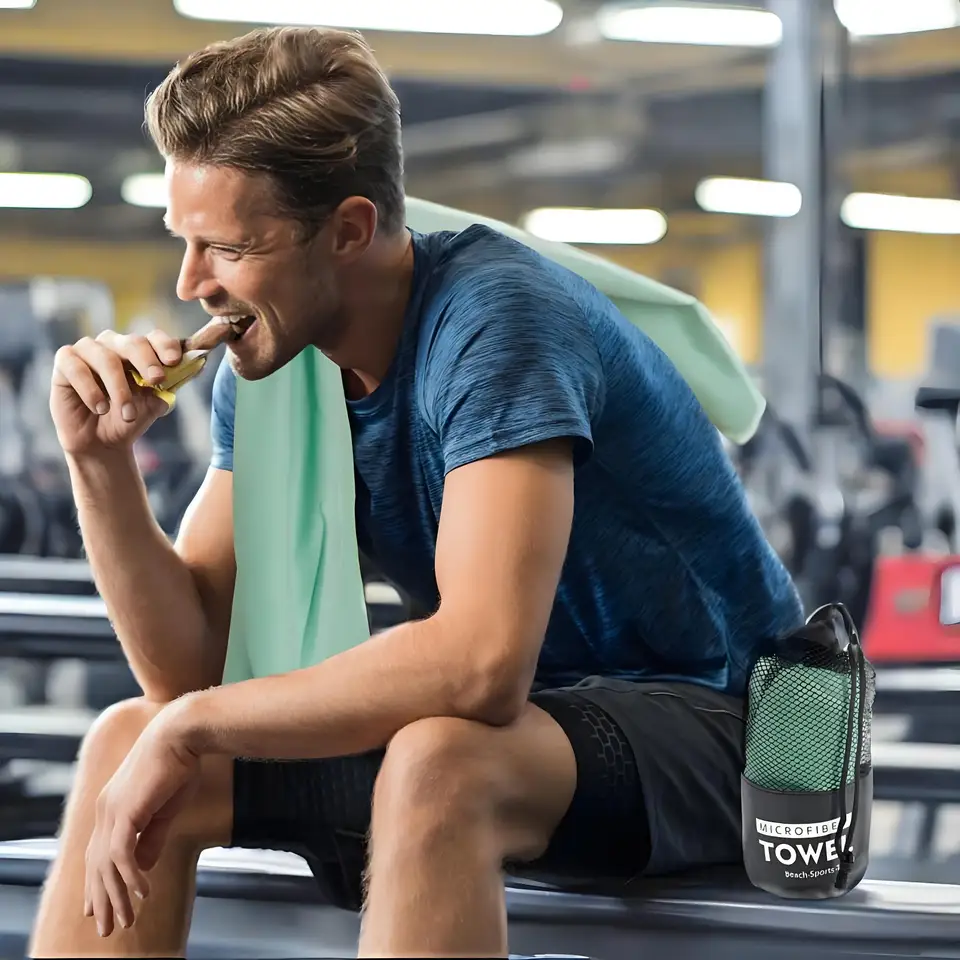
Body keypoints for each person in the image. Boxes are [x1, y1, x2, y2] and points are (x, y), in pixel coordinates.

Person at [29, 25, 804, 960]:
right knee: (130, 739)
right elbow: (189, 673)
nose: (193, 284)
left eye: (228, 248)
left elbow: (479, 666)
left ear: (350, 231)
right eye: (185, 244)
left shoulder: (498, 321)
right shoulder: (274, 362)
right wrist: (98, 464)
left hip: (750, 736)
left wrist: (194, 726)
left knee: (441, 761)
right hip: (532, 733)